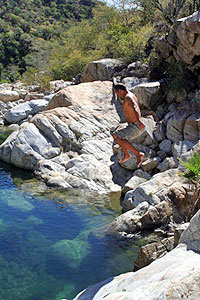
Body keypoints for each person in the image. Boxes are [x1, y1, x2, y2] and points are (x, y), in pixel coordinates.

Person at [112, 84, 145, 168]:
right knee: (120, 138)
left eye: (117, 94)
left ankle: (138, 154)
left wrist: (139, 121)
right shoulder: (131, 95)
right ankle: (127, 155)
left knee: (116, 135)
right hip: (133, 125)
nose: (117, 96)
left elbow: (135, 107)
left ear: (120, 91)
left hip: (136, 125)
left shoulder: (128, 97)